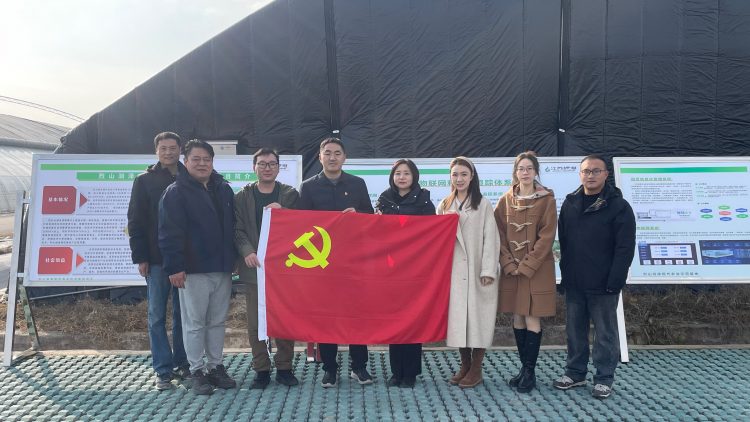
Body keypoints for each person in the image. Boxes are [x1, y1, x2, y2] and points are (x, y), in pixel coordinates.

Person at [553, 154, 635, 399]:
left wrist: (615, 280)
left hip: (604, 283)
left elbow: (625, 247)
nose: (590, 175)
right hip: (575, 281)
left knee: (605, 333)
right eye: (586, 171)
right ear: (580, 174)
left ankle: (604, 378)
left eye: (596, 171)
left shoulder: (618, 206)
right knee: (575, 331)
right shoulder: (570, 203)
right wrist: (565, 275)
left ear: (606, 174)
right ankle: (575, 372)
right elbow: (564, 242)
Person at [158, 140, 237, 396]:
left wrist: (234, 258)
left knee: (217, 321)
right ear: (186, 161)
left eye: (207, 159)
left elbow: (233, 226)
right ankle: (196, 370)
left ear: (212, 162)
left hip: (222, 268)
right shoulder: (175, 192)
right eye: (196, 159)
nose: (202, 164)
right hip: (193, 269)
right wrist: (175, 267)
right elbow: (169, 233)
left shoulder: (223, 189)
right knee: (194, 323)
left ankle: (215, 366)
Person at [298, 137, 375, 388]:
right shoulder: (308, 187)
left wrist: (358, 215)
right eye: (328, 153)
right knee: (326, 316)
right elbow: (301, 225)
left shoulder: (357, 184)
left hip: (353, 261)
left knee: (356, 314)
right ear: (320, 157)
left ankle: (359, 366)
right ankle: (329, 368)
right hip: (322, 263)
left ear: (345, 157)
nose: (332, 157)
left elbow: (370, 218)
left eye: (337, 153)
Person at [127, 131, 189, 390]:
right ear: (156, 151)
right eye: (163, 148)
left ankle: (183, 363)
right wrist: (140, 256)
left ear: (180, 150)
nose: (168, 152)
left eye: (173, 148)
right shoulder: (145, 180)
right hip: (156, 259)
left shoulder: (190, 176)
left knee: (183, 316)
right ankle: (163, 370)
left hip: (186, 260)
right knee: (156, 315)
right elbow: (135, 221)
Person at [234, 148, 300, 389]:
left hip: (283, 268)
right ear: (254, 167)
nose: (267, 168)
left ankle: (284, 367)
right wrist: (247, 251)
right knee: (255, 322)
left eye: (272, 163)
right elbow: (237, 229)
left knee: (283, 318)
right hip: (254, 268)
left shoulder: (290, 194)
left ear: (279, 167)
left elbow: (302, 225)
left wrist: (285, 213)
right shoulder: (242, 196)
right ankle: (261, 369)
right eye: (262, 164)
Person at [494, 151, 557, 393]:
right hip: (512, 270)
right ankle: (523, 369)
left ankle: (530, 372)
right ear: (515, 172)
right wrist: (508, 263)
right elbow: (498, 234)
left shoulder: (547, 200)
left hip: (536, 269)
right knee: (517, 317)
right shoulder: (505, 200)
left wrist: (527, 264)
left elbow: (547, 237)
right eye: (521, 168)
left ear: (536, 171)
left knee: (532, 317)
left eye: (530, 168)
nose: (525, 172)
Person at [437, 156, 500, 388]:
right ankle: (465, 364)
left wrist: (488, 270)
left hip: (478, 271)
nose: (459, 179)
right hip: (454, 272)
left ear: (472, 176)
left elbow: (491, 238)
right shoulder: (444, 205)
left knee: (479, 318)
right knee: (460, 320)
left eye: (464, 174)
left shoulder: (483, 204)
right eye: (455, 174)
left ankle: (476, 368)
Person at [374, 159, 436, 389]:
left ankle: (410, 372)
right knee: (394, 320)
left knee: (413, 320)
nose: (402, 177)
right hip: (391, 270)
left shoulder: (424, 201)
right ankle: (396, 371)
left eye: (406, 173)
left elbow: (431, 234)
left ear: (414, 176)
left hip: (415, 269)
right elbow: (376, 233)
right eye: (398, 173)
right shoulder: (384, 199)